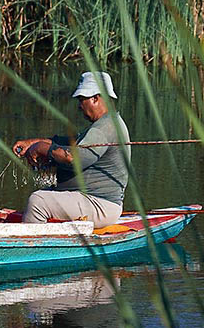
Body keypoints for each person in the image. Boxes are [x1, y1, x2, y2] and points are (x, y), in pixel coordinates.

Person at [11, 71, 130, 226]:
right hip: (95, 201)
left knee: (38, 201)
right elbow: (72, 144)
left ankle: (29, 248)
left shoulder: (104, 128)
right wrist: (34, 143)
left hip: (101, 205)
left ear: (96, 98)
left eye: (82, 99)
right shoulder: (107, 123)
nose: (80, 106)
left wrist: (42, 148)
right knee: (44, 196)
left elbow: (73, 158)